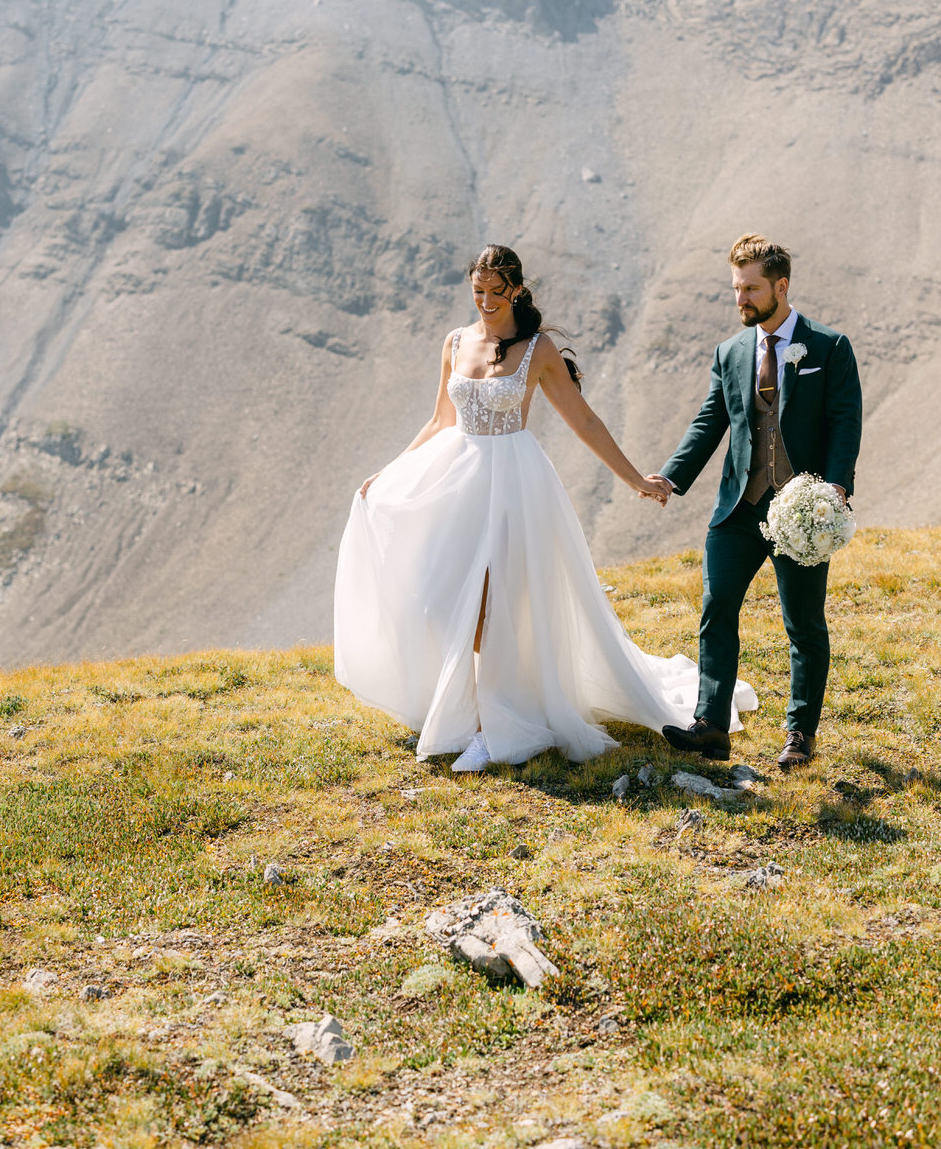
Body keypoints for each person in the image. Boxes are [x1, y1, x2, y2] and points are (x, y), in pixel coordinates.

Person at [334, 244, 756, 772]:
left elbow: (584, 422)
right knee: (441, 602)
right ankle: (463, 710)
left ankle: (494, 727)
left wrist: (634, 480)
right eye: (477, 292)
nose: (485, 302)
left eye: (495, 292)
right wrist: (389, 470)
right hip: (455, 485)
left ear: (515, 290)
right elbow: (441, 419)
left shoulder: (538, 351)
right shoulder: (455, 342)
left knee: (493, 610)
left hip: (513, 487)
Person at [648, 234, 862, 768]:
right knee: (717, 607)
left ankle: (799, 735)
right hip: (738, 508)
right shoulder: (731, 351)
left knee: (803, 624)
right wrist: (672, 479)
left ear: (781, 287)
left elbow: (844, 422)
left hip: (802, 512)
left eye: (751, 288)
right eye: (736, 287)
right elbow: (709, 422)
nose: (740, 298)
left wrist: (833, 490)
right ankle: (711, 726)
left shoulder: (829, 347)